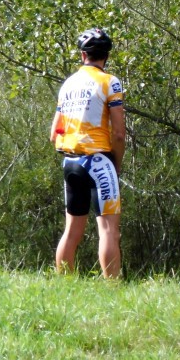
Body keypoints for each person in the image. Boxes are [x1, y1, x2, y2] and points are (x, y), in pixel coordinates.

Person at [49, 27, 125, 278]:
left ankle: (64, 285)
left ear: (83, 56)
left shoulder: (68, 84)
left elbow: (54, 134)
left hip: (70, 162)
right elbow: (118, 133)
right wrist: (117, 163)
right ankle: (113, 289)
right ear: (106, 56)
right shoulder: (109, 81)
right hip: (99, 160)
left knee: (71, 231)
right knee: (108, 230)